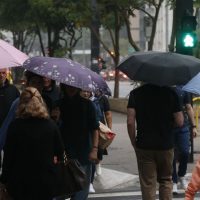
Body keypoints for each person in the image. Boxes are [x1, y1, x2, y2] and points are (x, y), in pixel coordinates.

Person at [0, 87, 64, 200]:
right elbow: (60, 153)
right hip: (45, 183)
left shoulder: (15, 126)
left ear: (21, 103)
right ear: (41, 103)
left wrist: (3, 180)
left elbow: (8, 157)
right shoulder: (51, 125)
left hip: (20, 183)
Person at [127, 83, 184, 200]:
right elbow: (179, 121)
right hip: (165, 145)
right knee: (166, 180)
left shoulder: (135, 93)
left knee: (148, 183)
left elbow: (130, 122)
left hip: (144, 145)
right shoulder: (172, 93)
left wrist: (133, 141)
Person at [59, 84, 99, 200]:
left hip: (83, 152)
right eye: (68, 86)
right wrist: (55, 118)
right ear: (63, 86)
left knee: (81, 191)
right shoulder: (59, 104)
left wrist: (95, 149)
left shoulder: (88, 105)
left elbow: (94, 128)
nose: (71, 88)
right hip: (63, 153)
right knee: (60, 190)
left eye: (74, 86)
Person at [172, 86, 197, 194]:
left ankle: (181, 175)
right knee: (171, 155)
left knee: (185, 152)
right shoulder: (164, 88)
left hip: (183, 126)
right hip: (168, 127)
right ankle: (173, 181)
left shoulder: (183, 89)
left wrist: (194, 126)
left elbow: (188, 107)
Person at [0, 68, 20, 169]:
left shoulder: (13, 90)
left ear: (6, 74)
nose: (1, 75)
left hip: (9, 130)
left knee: (9, 160)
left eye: (3, 73)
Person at [95, 89, 112, 175]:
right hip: (88, 126)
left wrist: (109, 129)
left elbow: (108, 113)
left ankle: (98, 163)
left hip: (100, 126)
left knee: (100, 146)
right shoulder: (84, 95)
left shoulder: (102, 98)